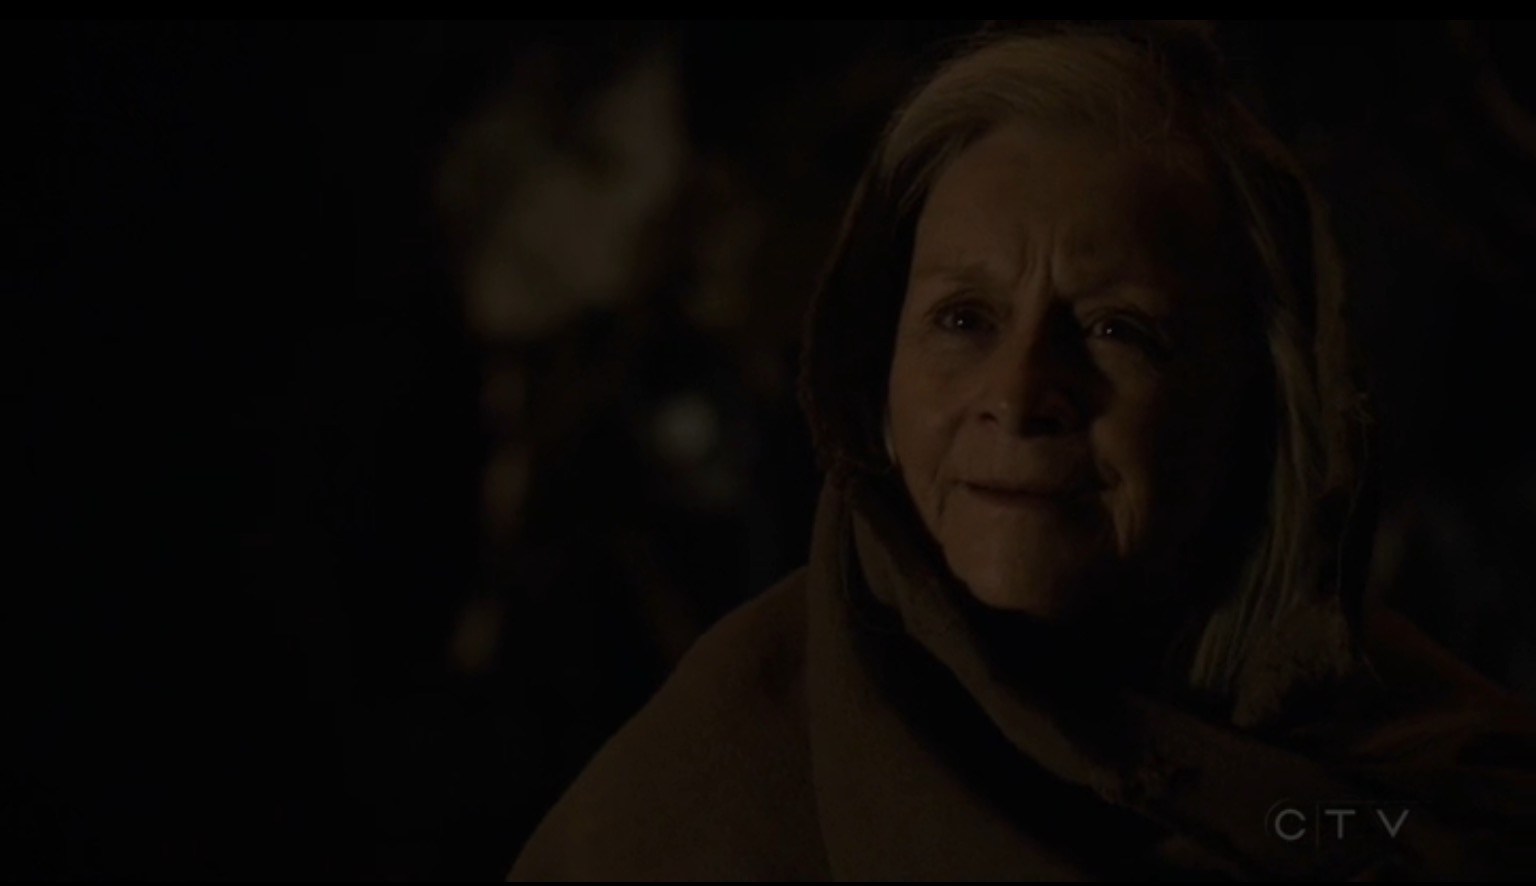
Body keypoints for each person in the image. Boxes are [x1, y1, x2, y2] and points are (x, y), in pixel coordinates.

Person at [508, 21, 1536, 880]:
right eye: (963, 319)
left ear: (1259, 412)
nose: (1018, 394)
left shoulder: (1428, 795)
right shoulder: (708, 800)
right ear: (875, 379)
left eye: (1117, 330)